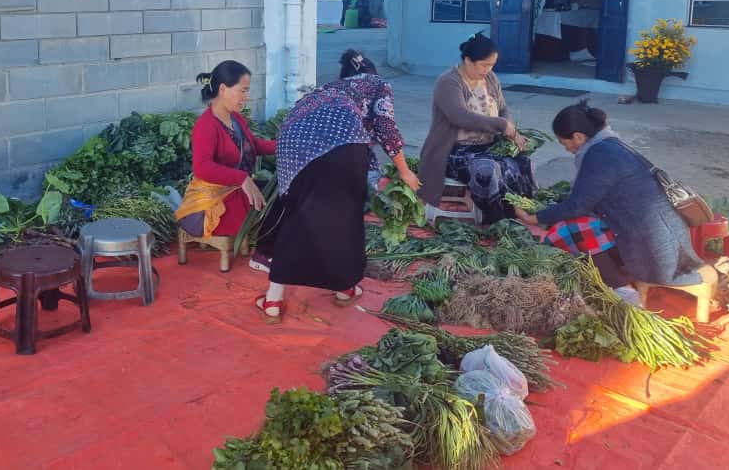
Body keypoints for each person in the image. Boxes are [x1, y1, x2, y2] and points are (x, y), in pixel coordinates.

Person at [254, 50, 419, 322]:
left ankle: (272, 301)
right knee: (345, 221)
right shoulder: (377, 84)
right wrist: (405, 171)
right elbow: (385, 125)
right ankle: (344, 290)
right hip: (342, 147)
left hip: (293, 149)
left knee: (296, 220)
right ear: (370, 72)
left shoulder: (328, 89)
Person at [513, 101, 707, 291]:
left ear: (578, 136)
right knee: (585, 223)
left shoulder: (599, 155)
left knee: (569, 229)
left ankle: (621, 289)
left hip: (657, 248)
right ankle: (618, 274)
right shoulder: (609, 145)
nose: (567, 150)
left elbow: (577, 206)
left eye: (565, 144)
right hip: (660, 233)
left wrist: (535, 217)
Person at [418, 32, 536, 224]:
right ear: (468, 60)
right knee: (487, 169)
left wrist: (509, 128)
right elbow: (459, 116)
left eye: (492, 65)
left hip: (489, 147)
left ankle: (522, 212)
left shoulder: (491, 79)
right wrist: (501, 125)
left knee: (522, 162)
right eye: (484, 65)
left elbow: (503, 108)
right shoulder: (449, 82)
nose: (488, 70)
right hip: (455, 152)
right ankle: (496, 220)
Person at [175, 61, 276, 249]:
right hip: (211, 205)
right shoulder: (206, 126)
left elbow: (252, 145)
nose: (246, 97)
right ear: (223, 89)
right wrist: (242, 179)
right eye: (243, 91)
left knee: (279, 196)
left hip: (234, 192)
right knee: (271, 210)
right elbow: (202, 168)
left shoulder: (235, 118)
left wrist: (284, 146)